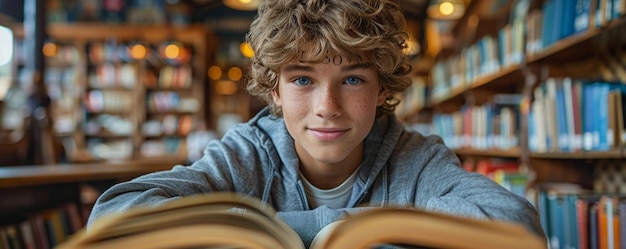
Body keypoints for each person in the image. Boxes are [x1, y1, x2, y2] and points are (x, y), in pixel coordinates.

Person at [88, 0, 546, 247]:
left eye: (351, 78)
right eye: (303, 79)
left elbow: (518, 228)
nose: (327, 106)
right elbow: (112, 217)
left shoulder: (417, 158)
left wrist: (312, 226)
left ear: (383, 89)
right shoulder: (246, 154)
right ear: (275, 91)